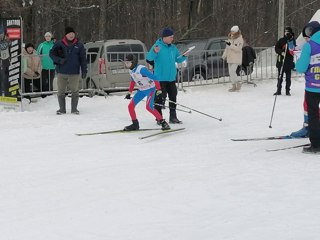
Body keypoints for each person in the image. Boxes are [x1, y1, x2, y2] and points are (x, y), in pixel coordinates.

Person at [146, 27, 187, 124]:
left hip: (171, 78)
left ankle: (173, 117)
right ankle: (159, 118)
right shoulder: (157, 46)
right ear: (165, 37)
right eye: (171, 37)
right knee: (160, 98)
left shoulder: (173, 47)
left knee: (173, 97)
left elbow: (178, 59)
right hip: (160, 78)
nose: (172, 39)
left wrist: (184, 55)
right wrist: (154, 52)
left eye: (173, 37)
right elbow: (149, 58)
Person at [123, 54, 170, 131]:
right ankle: (135, 124)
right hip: (141, 90)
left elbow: (155, 78)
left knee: (149, 107)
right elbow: (132, 81)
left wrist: (158, 90)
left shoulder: (141, 69)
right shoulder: (131, 70)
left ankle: (163, 123)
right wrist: (129, 92)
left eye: (128, 63)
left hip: (150, 89)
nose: (126, 65)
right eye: (126, 63)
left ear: (133, 62)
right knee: (130, 106)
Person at [290, 22, 320, 138]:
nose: (307, 37)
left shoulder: (309, 45)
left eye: (308, 34)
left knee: (310, 108)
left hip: (313, 86)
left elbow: (301, 67)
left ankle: (310, 129)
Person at [49, 26, 87, 115]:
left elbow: (83, 59)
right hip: (61, 72)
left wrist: (84, 70)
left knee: (75, 91)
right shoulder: (59, 43)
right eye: (69, 33)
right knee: (61, 91)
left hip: (74, 72)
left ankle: (74, 109)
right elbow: (51, 54)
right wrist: (59, 60)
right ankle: (62, 109)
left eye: (73, 33)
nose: (71, 35)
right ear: (66, 35)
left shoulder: (79, 45)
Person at [274, 26, 296, 96]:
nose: (286, 33)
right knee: (280, 77)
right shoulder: (281, 40)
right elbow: (276, 48)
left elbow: (292, 50)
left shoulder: (292, 40)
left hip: (288, 61)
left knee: (288, 78)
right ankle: (278, 90)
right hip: (281, 61)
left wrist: (290, 41)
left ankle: (287, 91)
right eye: (285, 32)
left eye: (288, 32)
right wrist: (281, 52)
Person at [222, 25, 244, 92]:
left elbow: (238, 49)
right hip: (230, 57)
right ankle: (234, 86)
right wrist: (224, 55)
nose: (231, 32)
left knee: (232, 71)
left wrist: (230, 45)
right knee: (230, 72)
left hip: (236, 58)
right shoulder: (230, 38)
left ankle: (237, 83)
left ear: (236, 31)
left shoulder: (240, 39)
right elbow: (227, 48)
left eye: (233, 31)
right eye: (231, 31)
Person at [0, 26, 11, 97]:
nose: (1, 36)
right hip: (1, 61)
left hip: (7, 61)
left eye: (1, 34)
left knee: (7, 77)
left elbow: (11, 47)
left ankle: (7, 93)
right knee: (2, 77)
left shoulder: (7, 41)